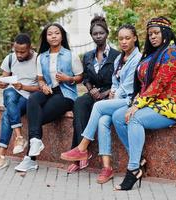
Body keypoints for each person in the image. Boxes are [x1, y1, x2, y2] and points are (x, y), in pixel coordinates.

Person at [112, 17, 176, 190]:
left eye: (156, 33)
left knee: (134, 119)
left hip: (172, 105)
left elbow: (160, 83)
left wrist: (137, 105)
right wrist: (136, 102)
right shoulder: (152, 54)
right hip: (151, 102)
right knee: (117, 117)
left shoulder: (172, 53)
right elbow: (144, 84)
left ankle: (133, 169)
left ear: (166, 33)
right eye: (150, 34)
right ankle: (138, 159)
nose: (152, 37)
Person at [61, 24, 142, 184]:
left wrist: (112, 95)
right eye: (121, 39)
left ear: (135, 38)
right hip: (118, 98)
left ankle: (82, 147)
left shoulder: (137, 58)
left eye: (127, 38)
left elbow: (127, 87)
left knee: (98, 106)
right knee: (102, 120)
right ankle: (107, 168)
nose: (124, 41)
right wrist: (112, 91)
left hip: (130, 101)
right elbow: (115, 81)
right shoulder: (120, 58)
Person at [14, 23, 84, 172]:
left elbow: (80, 78)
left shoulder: (71, 55)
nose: (53, 36)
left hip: (65, 94)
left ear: (62, 36)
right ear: (46, 37)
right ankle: (35, 141)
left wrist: (67, 78)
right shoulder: (42, 57)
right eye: (50, 34)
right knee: (33, 100)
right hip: (49, 91)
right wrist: (43, 85)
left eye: (56, 33)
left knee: (36, 117)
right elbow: (40, 79)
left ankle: (30, 159)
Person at [67, 16, 120, 174]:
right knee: (79, 104)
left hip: (110, 93)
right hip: (94, 92)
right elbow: (86, 78)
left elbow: (118, 80)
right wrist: (91, 90)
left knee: (88, 111)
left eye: (101, 33)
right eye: (95, 34)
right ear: (91, 35)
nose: (98, 36)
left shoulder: (116, 55)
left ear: (107, 33)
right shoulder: (88, 56)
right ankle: (82, 153)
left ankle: (78, 156)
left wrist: (104, 93)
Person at [0, 33, 39, 171]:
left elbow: (41, 86)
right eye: (16, 51)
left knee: (7, 114)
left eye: (22, 52)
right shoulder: (10, 58)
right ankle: (19, 137)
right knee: (8, 92)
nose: (19, 55)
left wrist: (23, 87)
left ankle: (1, 156)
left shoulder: (38, 60)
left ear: (30, 49)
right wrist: (1, 82)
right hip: (12, 95)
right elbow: (5, 79)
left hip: (28, 97)